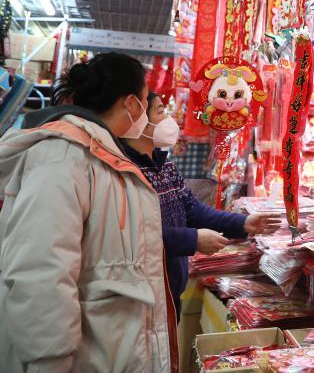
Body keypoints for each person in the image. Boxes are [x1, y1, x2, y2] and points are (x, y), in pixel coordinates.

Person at [0, 52, 175, 372]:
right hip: (72, 359)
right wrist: (49, 361)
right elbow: (40, 268)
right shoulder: (62, 155)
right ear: (131, 104)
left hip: (103, 351)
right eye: (146, 99)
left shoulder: (104, 155)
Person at [122, 92, 281, 314]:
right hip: (137, 295)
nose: (169, 119)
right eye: (160, 112)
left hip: (171, 291)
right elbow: (132, 236)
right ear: (138, 120)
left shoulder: (165, 165)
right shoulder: (124, 172)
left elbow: (192, 210)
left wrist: (244, 223)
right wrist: (193, 239)